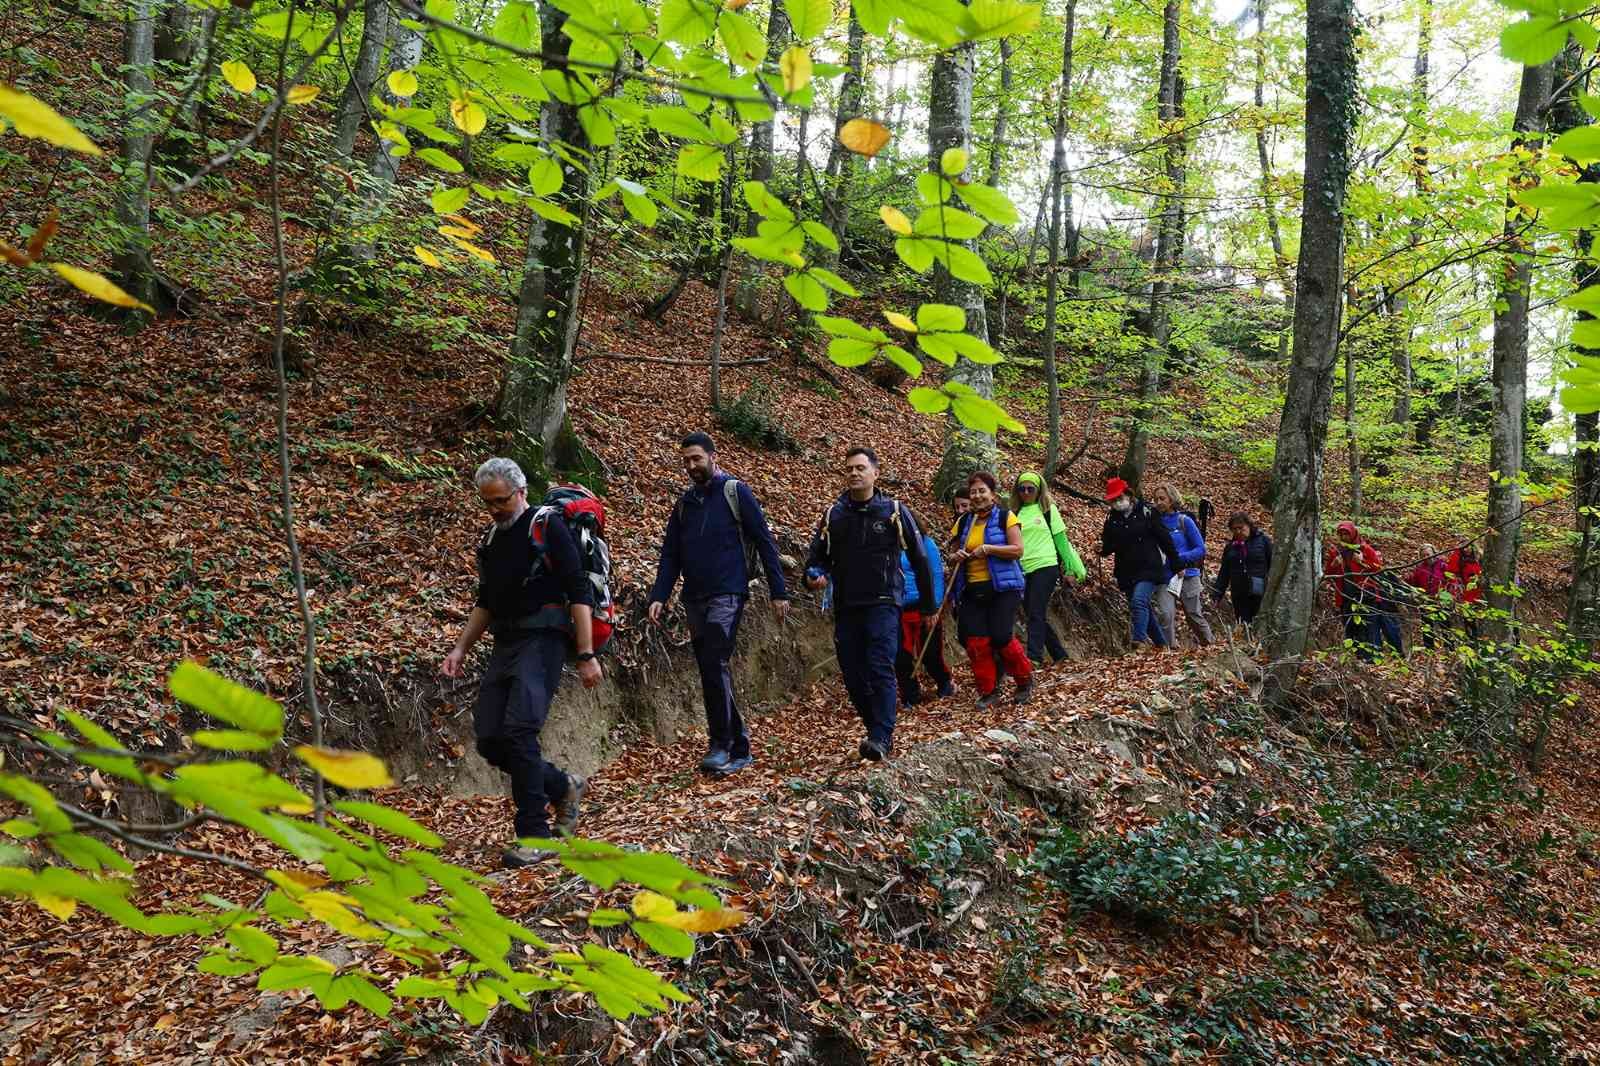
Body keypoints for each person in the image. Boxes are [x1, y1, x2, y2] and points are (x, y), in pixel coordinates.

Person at [441, 458, 600, 869]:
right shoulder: (492, 541)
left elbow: (578, 590)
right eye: (488, 502)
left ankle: (536, 835)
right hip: (506, 642)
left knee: (519, 732)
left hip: (544, 638)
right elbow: (486, 603)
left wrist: (585, 654)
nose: (495, 508)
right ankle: (563, 785)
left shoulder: (547, 526)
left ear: (521, 491)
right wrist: (459, 649)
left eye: (501, 500)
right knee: (490, 739)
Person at [648, 432, 790, 776]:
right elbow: (671, 554)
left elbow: (764, 541)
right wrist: (659, 595)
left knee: (714, 660)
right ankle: (738, 745)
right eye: (685, 460)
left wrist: (778, 590)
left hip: (729, 593)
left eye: (697, 458)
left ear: (713, 456)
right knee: (711, 668)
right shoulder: (684, 505)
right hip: (694, 596)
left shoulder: (735, 492)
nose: (691, 466)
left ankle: (720, 744)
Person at [805, 447, 936, 761]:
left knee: (879, 667)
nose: (854, 473)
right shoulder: (832, 515)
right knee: (852, 674)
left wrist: (929, 605)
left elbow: (919, 560)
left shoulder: (893, 511)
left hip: (884, 601)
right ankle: (875, 728)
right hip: (847, 605)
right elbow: (816, 560)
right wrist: (813, 576)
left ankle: (881, 736)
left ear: (875, 473)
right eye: (849, 468)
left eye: (860, 468)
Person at [949, 471, 1034, 707]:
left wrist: (989, 549)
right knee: (975, 641)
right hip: (972, 588)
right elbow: (952, 554)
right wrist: (956, 555)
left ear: (993, 495)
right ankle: (988, 691)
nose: (977, 496)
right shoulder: (964, 522)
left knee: (1001, 636)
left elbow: (1017, 550)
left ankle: (1025, 680)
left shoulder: (1006, 517)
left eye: (982, 491)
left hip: (1004, 587)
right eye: (974, 492)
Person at [1010, 471, 1086, 664]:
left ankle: (1033, 658)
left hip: (1046, 565)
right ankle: (1060, 655)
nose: (1026, 492)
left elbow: (1062, 542)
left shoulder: (1048, 510)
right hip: (1023, 569)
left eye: (1030, 489)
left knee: (1036, 610)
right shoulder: (1014, 513)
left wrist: (1069, 569)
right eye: (1022, 489)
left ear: (1038, 490)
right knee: (1032, 612)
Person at [1099, 477, 1179, 648]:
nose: (1117, 503)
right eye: (1113, 500)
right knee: (1144, 610)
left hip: (1149, 568)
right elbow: (1107, 546)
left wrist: (1176, 563)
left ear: (1129, 494)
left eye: (1119, 498)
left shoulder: (1147, 512)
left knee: (1139, 601)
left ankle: (1139, 641)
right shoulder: (1111, 519)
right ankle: (1162, 645)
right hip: (1126, 571)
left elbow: (1164, 539)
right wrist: (1101, 548)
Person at [1325, 520, 1402, 660]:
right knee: (1350, 627)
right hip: (1345, 597)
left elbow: (1378, 569)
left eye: (1346, 534)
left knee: (1368, 628)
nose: (1343, 537)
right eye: (1341, 534)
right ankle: (1355, 657)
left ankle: (1370, 658)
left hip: (1366, 595)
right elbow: (1328, 574)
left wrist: (1362, 562)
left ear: (1353, 533)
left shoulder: (1365, 549)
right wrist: (1334, 564)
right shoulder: (1335, 552)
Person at [1150, 483, 1214, 646]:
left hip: (1188, 574)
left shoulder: (1184, 521)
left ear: (1172, 499)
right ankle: (1169, 652)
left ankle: (1211, 646)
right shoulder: (1154, 523)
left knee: (1193, 614)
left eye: (1162, 498)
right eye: (1156, 499)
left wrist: (1179, 558)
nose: (1158, 502)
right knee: (1165, 614)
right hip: (1165, 576)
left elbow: (1200, 549)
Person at [896, 527, 955, 705]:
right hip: (898, 608)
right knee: (901, 655)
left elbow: (936, 574)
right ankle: (910, 694)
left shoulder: (925, 543)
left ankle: (944, 682)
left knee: (930, 653)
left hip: (924, 607)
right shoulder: (888, 545)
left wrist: (934, 607)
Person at [1212, 512, 1272, 626]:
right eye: (1234, 529)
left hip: (1259, 591)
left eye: (1241, 528)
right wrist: (1217, 595)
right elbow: (1224, 572)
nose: (1238, 531)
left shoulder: (1263, 541)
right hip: (1239, 593)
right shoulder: (1230, 548)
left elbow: (1272, 565)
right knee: (1243, 624)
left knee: (1259, 623)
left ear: (1248, 525)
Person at [1408, 544, 1449, 649]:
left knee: (1445, 625)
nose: (1427, 557)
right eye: (1424, 555)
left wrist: (1446, 596)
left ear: (1434, 553)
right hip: (1426, 601)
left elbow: (1450, 581)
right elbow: (1414, 584)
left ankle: (1450, 648)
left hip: (1441, 600)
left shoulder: (1442, 565)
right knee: (1427, 626)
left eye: (1428, 554)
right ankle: (1429, 649)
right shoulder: (1419, 568)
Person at [1444, 543, 1484, 638]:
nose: (1466, 549)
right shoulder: (1458, 558)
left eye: (1468, 546)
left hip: (1479, 590)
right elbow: (1451, 572)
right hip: (1466, 591)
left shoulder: (1479, 557)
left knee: (1481, 615)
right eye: (1464, 547)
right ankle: (1471, 637)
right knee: (1468, 616)